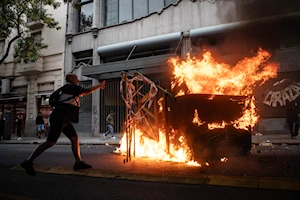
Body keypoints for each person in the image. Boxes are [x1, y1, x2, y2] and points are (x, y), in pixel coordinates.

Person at [21, 73, 106, 176]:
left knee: (74, 138)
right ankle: (28, 162)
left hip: (64, 118)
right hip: (60, 118)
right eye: (76, 78)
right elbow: (86, 91)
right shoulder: (71, 87)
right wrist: (99, 85)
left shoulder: (67, 89)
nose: (78, 80)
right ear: (71, 79)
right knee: (50, 142)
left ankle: (78, 162)